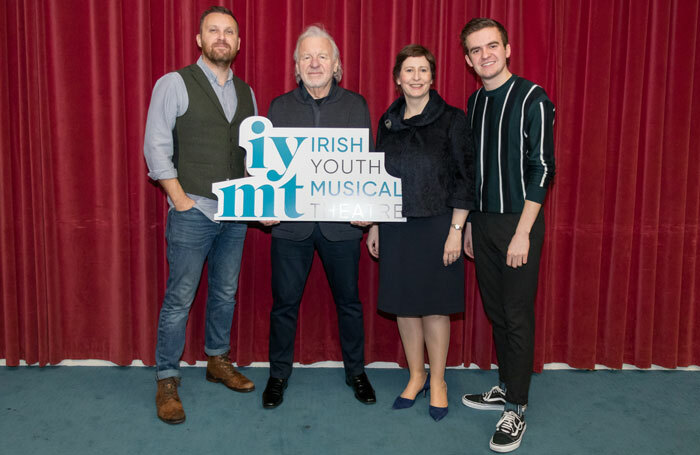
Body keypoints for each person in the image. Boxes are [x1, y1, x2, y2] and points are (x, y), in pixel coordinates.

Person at [143, 6, 258, 424]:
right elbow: (155, 145)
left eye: (229, 32)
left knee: (225, 293)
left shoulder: (247, 92)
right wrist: (178, 197)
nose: (222, 37)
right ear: (199, 39)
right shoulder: (174, 83)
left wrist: (260, 203)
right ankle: (167, 378)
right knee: (179, 298)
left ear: (239, 43)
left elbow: (253, 158)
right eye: (214, 30)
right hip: (192, 209)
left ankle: (216, 360)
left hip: (236, 214)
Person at [260, 25, 376, 409]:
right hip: (291, 227)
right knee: (284, 304)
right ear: (296, 65)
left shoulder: (356, 105)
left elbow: (366, 167)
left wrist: (368, 212)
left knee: (349, 303)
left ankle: (356, 371)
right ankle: (278, 375)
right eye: (306, 57)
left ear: (336, 64)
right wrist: (265, 206)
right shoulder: (278, 107)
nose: (314, 63)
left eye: (322, 56)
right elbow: (265, 168)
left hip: (341, 226)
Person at [459, 18, 556, 452]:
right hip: (484, 223)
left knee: (516, 315)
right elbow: (476, 172)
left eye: (492, 46)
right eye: (476, 50)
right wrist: (469, 226)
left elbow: (543, 169)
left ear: (508, 48)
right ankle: (505, 385)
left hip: (521, 222)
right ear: (467, 59)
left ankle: (515, 409)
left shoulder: (533, 97)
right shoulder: (475, 102)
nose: (485, 55)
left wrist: (523, 234)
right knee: (496, 312)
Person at [366, 44, 475, 421]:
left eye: (422, 71)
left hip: (438, 225)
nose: (415, 77)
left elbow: (465, 178)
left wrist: (456, 230)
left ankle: (439, 380)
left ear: (432, 76)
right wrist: (376, 224)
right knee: (404, 305)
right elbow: (376, 178)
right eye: (408, 71)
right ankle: (415, 376)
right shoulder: (388, 120)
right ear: (398, 78)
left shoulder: (452, 119)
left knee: (434, 307)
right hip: (396, 225)